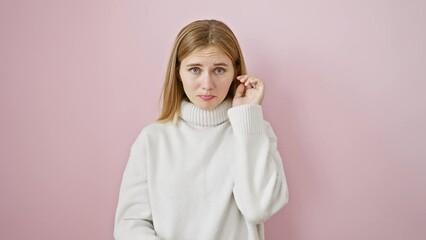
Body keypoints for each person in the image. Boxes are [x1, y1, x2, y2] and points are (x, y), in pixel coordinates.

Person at [114, 19, 289, 240]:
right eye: (195, 69)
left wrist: (247, 120)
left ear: (235, 71)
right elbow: (130, 224)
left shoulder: (255, 131)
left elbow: (258, 209)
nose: (207, 84)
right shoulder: (152, 140)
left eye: (219, 70)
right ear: (178, 72)